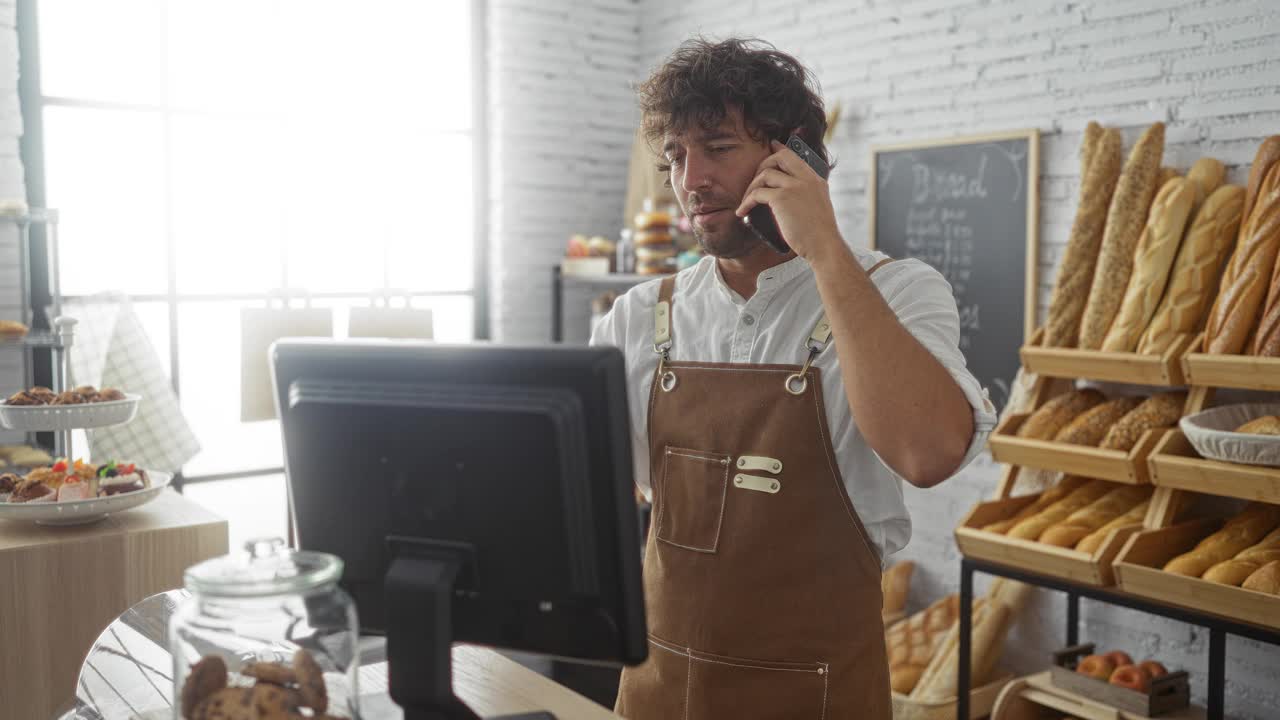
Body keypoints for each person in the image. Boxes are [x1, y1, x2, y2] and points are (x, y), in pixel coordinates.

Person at [590, 38, 997, 719]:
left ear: (795, 155)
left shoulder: (898, 291)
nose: (691, 179)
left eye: (718, 147)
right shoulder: (637, 317)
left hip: (820, 699)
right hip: (658, 695)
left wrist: (825, 249)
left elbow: (927, 454)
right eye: (675, 156)